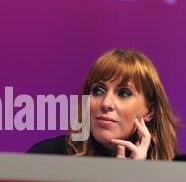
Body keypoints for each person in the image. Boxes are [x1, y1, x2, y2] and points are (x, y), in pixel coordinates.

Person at [27, 49, 184, 160]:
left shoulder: (174, 172)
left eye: (123, 93)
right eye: (98, 91)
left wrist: (137, 177)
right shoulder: (47, 157)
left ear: (150, 111)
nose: (106, 103)